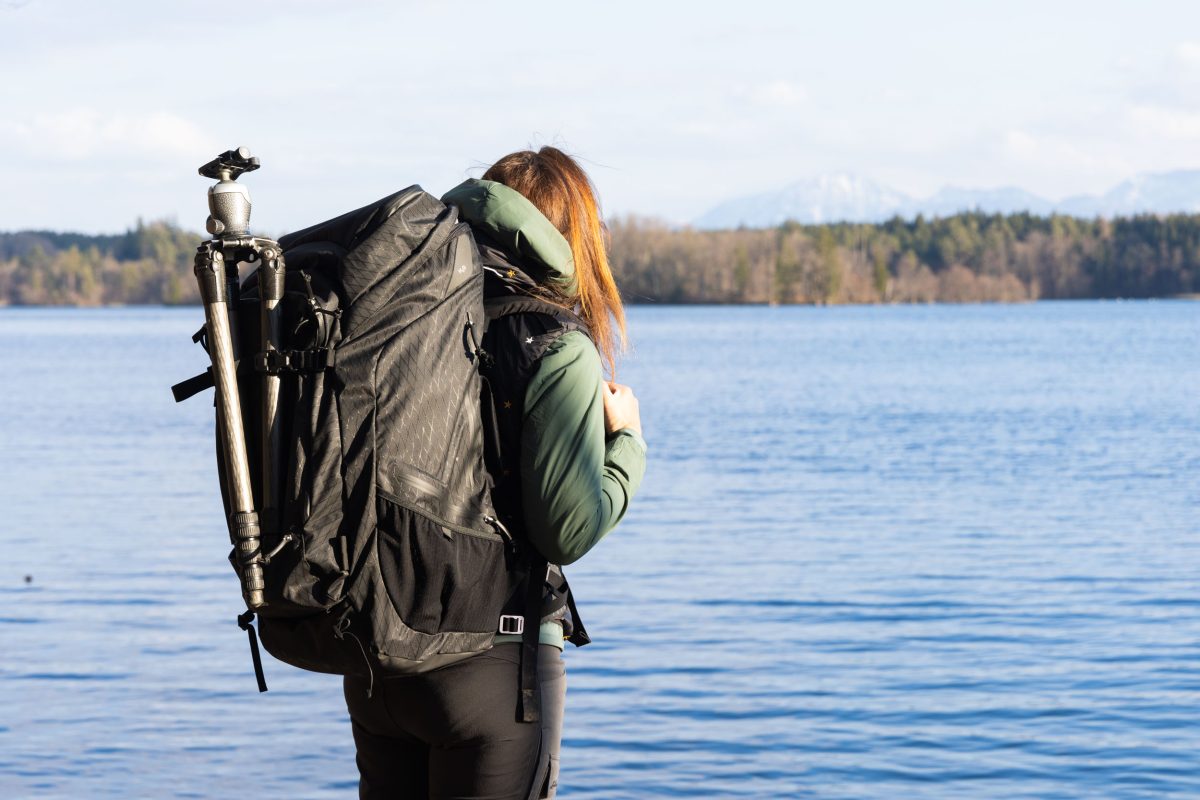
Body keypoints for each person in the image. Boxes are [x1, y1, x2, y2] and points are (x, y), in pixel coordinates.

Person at [342, 146, 647, 800]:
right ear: (571, 239)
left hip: (381, 655)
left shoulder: (408, 320)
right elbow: (566, 529)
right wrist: (628, 446)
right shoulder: (555, 346)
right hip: (490, 668)